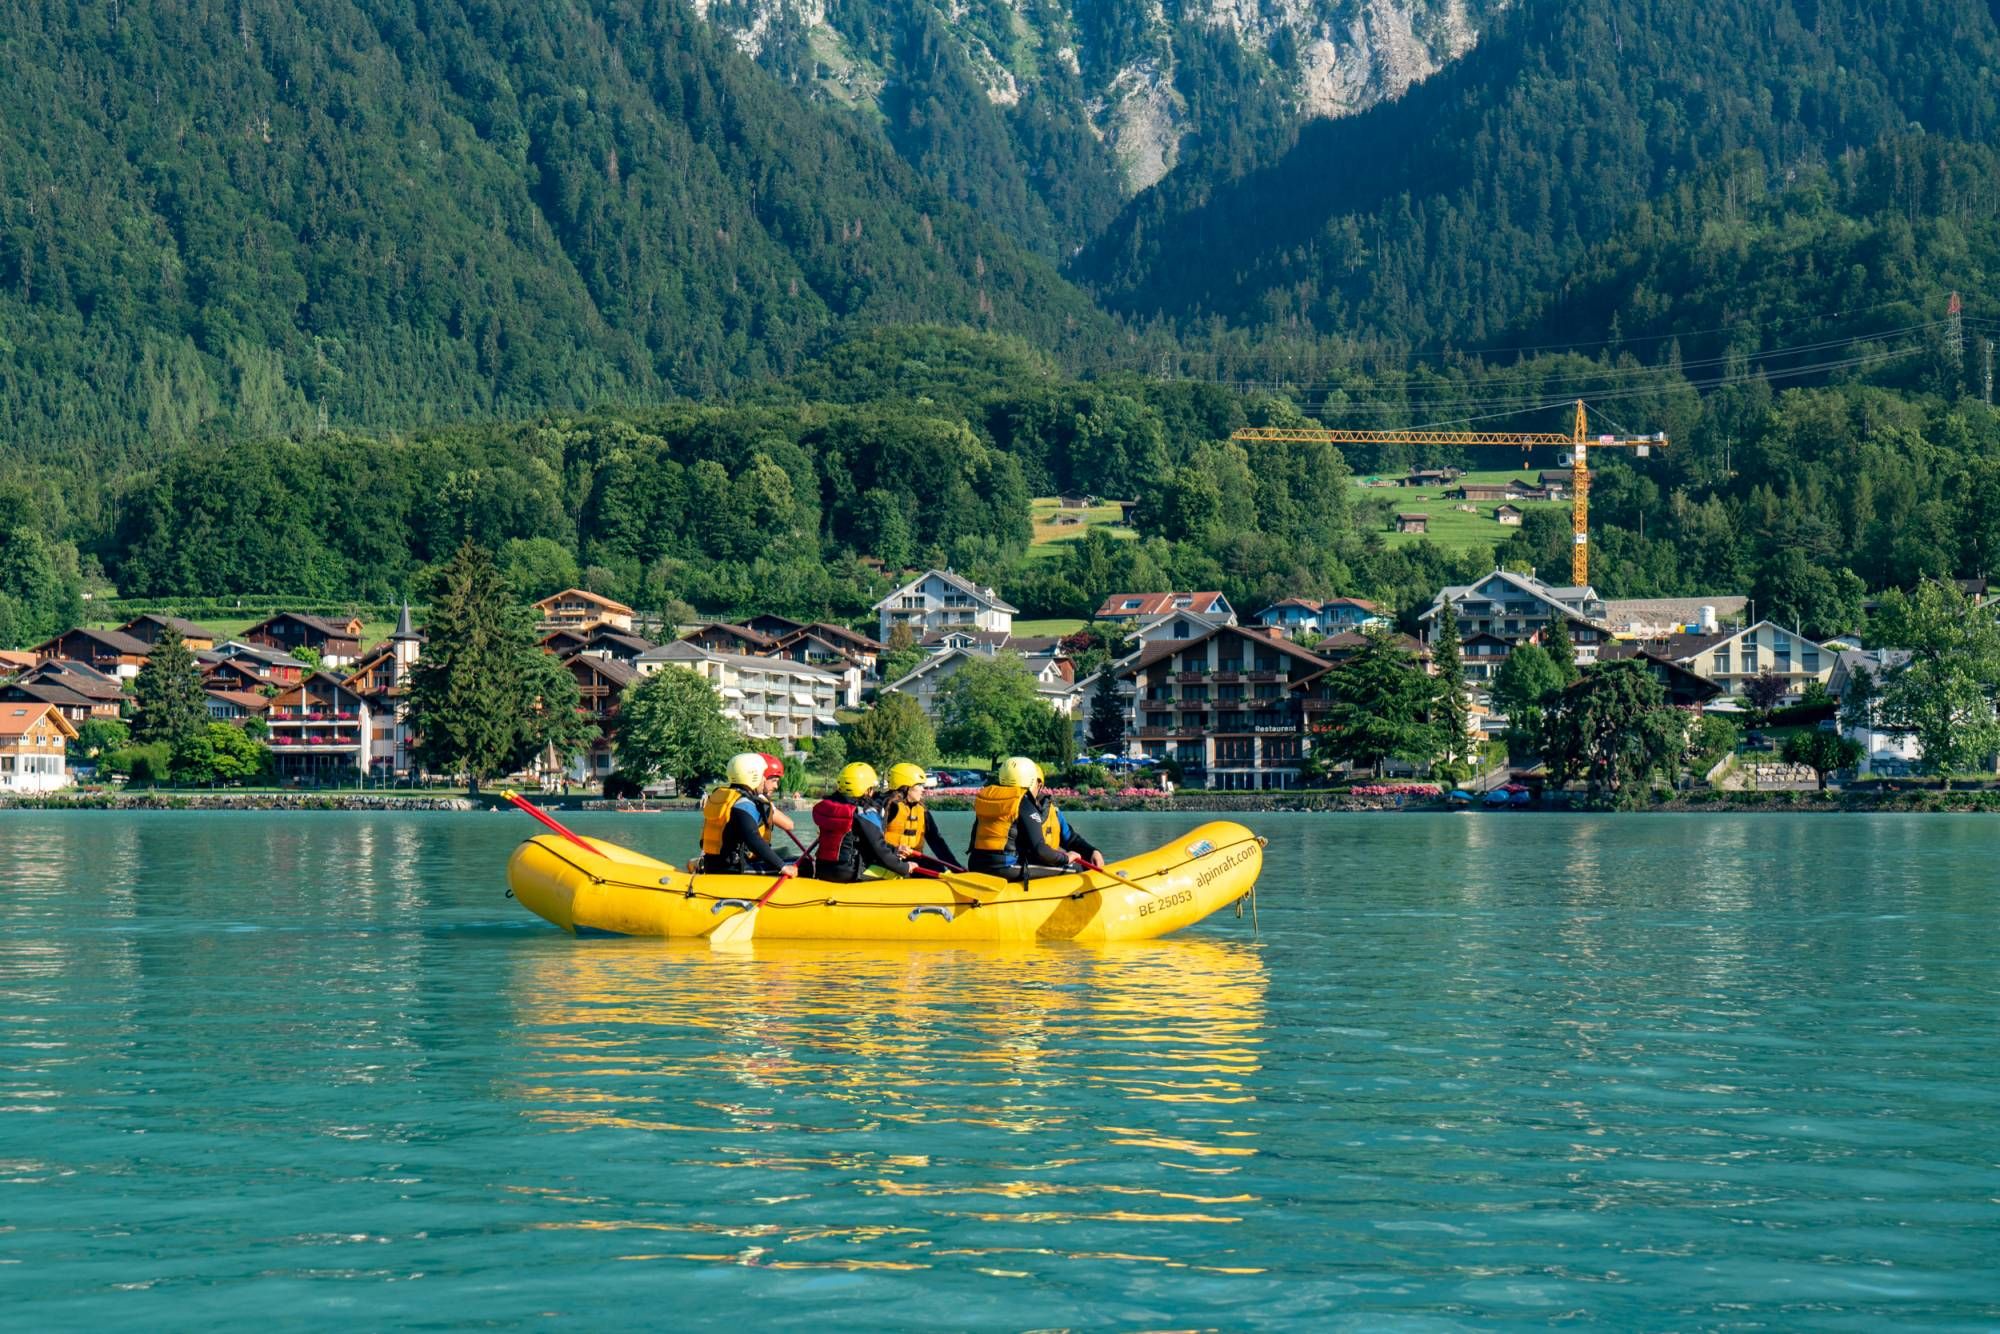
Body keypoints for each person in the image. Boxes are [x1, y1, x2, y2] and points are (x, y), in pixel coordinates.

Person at [967, 756, 1105, 881]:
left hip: (976, 865)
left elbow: (1071, 839)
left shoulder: (994, 802)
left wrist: (1092, 851)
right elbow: (1040, 850)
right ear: (1035, 782)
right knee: (1078, 869)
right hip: (1006, 868)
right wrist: (1066, 858)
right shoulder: (1023, 804)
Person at [807, 762, 912, 883]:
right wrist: (905, 867)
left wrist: (895, 850)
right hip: (849, 873)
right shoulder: (864, 812)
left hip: (822, 870)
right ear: (867, 790)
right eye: (872, 788)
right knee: (902, 876)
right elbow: (880, 851)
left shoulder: (828, 807)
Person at [699, 752, 795, 878]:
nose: (764, 779)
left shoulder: (723, 798)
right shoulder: (744, 804)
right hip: (735, 869)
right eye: (762, 776)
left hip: (713, 865)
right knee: (804, 864)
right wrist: (782, 866)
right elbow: (752, 839)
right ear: (753, 777)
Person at [881, 763, 961, 870]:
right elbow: (875, 840)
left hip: (913, 860)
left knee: (938, 868)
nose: (923, 790)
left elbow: (937, 842)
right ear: (906, 787)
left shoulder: (921, 810)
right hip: (888, 859)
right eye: (919, 785)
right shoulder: (888, 806)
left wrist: (956, 868)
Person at [757, 750, 797, 837]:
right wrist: (771, 806)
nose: (776, 786)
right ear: (761, 778)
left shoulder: (732, 795)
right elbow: (789, 825)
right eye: (773, 781)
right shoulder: (759, 800)